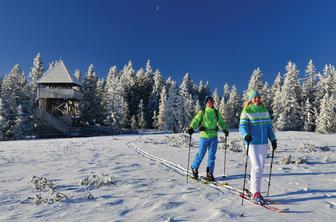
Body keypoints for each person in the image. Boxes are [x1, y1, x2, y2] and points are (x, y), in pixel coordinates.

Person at [239, 89, 277, 205]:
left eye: (258, 97)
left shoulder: (264, 110)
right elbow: (242, 126)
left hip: (263, 143)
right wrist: (246, 136)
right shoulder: (246, 111)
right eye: (255, 97)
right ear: (251, 99)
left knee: (260, 168)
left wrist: (273, 139)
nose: (257, 99)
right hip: (252, 143)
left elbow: (269, 127)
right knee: (256, 167)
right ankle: (256, 193)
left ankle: (253, 189)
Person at [187, 96, 229, 181]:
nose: (211, 103)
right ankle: (194, 167)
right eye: (209, 102)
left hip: (213, 137)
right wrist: (191, 127)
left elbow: (221, 121)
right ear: (206, 103)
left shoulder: (216, 113)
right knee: (201, 154)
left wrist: (225, 129)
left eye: (212, 102)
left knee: (212, 156)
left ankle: (210, 172)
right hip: (204, 136)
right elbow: (195, 120)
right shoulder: (202, 112)